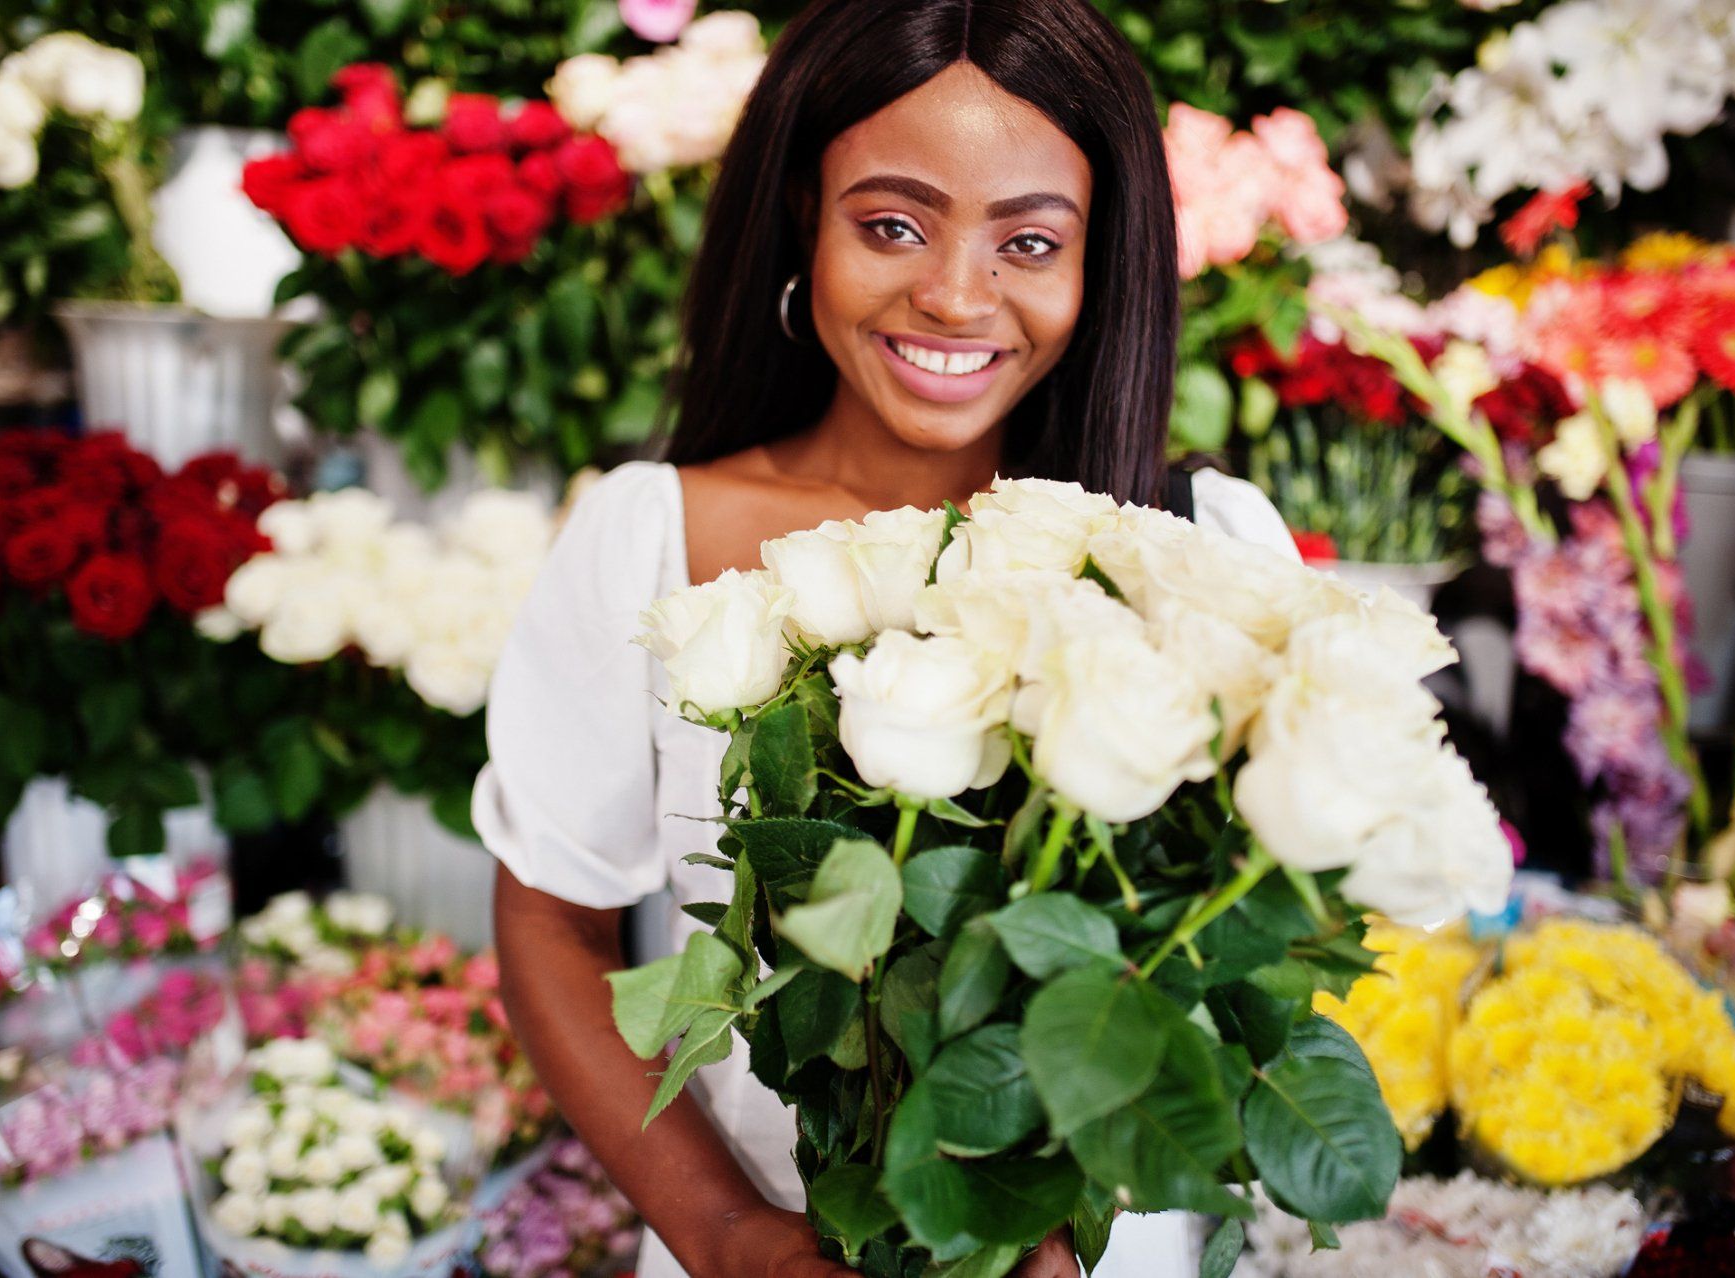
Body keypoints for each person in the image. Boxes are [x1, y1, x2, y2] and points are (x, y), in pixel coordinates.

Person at [478, 2, 1299, 1275]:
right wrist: (726, 1231)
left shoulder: (1205, 552)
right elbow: (551, 921)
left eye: (1029, 241)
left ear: (1101, 265)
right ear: (803, 216)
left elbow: (1262, 955)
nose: (956, 296)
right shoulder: (655, 539)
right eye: (894, 224)